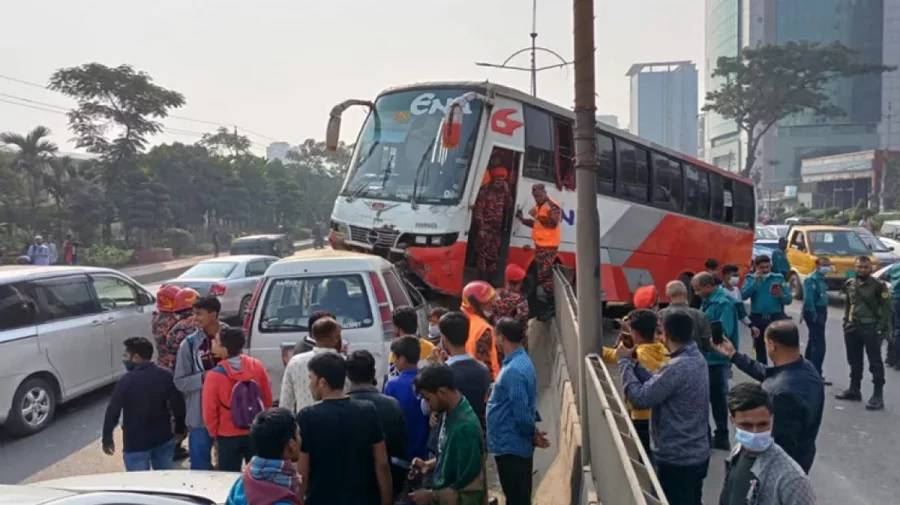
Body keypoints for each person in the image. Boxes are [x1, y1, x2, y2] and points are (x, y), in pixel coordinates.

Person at [617, 311, 710, 505]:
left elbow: (641, 398)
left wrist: (624, 363)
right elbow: (661, 384)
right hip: (697, 453)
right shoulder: (696, 358)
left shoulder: (677, 366)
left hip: (676, 458)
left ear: (664, 334)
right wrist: (635, 365)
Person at [711, 320, 824, 473]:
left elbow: (777, 444)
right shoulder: (805, 368)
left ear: (772, 345)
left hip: (779, 470)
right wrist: (734, 356)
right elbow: (768, 373)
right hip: (803, 456)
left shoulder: (780, 394)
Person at [297, 352, 393, 505]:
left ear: (322, 382)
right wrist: (387, 501)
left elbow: (303, 472)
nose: (309, 384)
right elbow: (381, 464)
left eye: (310, 378)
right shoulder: (368, 410)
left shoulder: (307, 417)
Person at [719, 383, 816, 505]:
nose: (755, 433)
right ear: (732, 421)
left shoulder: (791, 480)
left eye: (762, 424)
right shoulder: (737, 453)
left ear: (772, 419)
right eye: (746, 425)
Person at [486, 318, 548, 505]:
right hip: (512, 443)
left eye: (496, 337)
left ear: (502, 338)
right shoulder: (519, 362)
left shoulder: (513, 370)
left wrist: (532, 435)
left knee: (516, 497)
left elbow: (521, 413)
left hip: (511, 446)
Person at [102, 337, 185, 471]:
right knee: (165, 481)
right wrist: (180, 429)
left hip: (136, 443)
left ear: (136, 357)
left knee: (139, 485)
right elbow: (178, 405)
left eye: (126, 355)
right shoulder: (165, 375)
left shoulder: (126, 381)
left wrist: (107, 437)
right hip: (163, 438)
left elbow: (113, 411)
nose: (124, 359)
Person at [409, 365, 486, 505]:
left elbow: (471, 494)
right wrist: (428, 464)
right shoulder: (448, 411)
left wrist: (431, 496)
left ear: (441, 392)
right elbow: (451, 456)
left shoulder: (465, 429)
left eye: (428, 399)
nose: (428, 405)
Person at [203, 327, 273, 471]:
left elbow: (209, 409)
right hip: (254, 430)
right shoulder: (256, 366)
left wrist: (213, 433)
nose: (212, 342)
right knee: (257, 475)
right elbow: (266, 398)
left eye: (216, 341)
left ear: (224, 348)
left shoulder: (214, 376)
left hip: (227, 434)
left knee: (228, 478)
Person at [601, 309, 669, 458]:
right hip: (661, 413)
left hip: (642, 416)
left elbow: (614, 355)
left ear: (636, 333)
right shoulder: (662, 349)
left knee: (643, 456)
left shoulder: (637, 354)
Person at [173, 296, 227, 470]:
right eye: (193, 313)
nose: (194, 318)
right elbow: (180, 382)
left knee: (228, 468)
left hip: (228, 414)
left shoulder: (232, 338)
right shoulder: (188, 345)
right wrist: (206, 378)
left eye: (199, 314)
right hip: (199, 415)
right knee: (199, 468)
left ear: (213, 314)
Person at [346, 350, 408, 501]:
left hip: (351, 486)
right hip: (387, 485)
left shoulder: (341, 408)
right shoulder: (391, 405)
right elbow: (400, 449)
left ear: (347, 375)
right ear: (373, 372)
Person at [836, 255, 892, 410]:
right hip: (852, 327)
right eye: (859, 267)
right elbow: (848, 303)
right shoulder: (850, 284)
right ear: (855, 267)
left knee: (875, 362)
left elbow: (886, 308)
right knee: (854, 360)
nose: (862, 270)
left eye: (865, 267)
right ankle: (854, 389)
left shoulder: (878, 286)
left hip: (870, 327)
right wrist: (845, 321)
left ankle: (877, 395)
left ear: (871, 268)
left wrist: (881, 327)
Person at [225, 408, 303, 505]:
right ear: (292, 445)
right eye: (298, 434)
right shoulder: (284, 499)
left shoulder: (242, 482)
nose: (301, 439)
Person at [436, 311, 493, 427]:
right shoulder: (483, 369)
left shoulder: (444, 372)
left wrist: (438, 369)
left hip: (454, 433)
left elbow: (429, 407)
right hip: (479, 430)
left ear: (444, 339)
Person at [280, 317, 342, 414]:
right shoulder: (345, 363)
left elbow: (285, 403)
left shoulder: (296, 362)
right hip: (340, 425)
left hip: (304, 426)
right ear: (337, 337)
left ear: (313, 336)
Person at [385, 336, 430, 463]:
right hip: (426, 449)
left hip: (403, 451)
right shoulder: (428, 379)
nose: (393, 362)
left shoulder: (392, 385)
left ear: (403, 359)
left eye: (395, 358)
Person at [742, 255, 792, 365]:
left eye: (767, 267)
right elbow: (743, 296)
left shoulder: (778, 278)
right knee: (759, 347)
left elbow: (788, 300)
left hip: (775, 317)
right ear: (756, 267)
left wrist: (780, 295)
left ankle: (778, 374)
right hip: (757, 318)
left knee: (777, 347)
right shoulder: (750, 278)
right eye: (762, 268)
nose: (765, 270)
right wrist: (755, 282)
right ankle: (763, 376)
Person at [516, 183, 562, 295]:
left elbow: (553, 224)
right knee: (540, 275)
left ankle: (552, 303)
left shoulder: (552, 206)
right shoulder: (538, 206)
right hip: (540, 245)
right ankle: (544, 302)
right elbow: (537, 224)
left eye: (539, 195)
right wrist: (522, 220)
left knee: (545, 276)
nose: (537, 198)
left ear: (545, 193)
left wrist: (537, 216)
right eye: (535, 196)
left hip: (549, 246)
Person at [472, 164, 513, 282]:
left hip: (496, 230)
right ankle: (481, 280)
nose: (500, 182)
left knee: (493, 255)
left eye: (502, 180)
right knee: (482, 255)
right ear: (493, 179)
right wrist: (481, 228)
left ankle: (490, 281)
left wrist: (507, 191)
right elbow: (478, 210)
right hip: (485, 228)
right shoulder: (485, 191)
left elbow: (509, 205)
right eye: (498, 180)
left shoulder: (503, 193)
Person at [461, 280, 501, 378]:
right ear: (475, 305)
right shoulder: (483, 329)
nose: (491, 304)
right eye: (487, 302)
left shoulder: (464, 320)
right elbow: (486, 368)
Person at [802, 257, 832, 380]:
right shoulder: (811, 279)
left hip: (821, 311)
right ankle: (816, 373)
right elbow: (808, 299)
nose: (827, 267)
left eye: (828, 265)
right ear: (817, 265)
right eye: (824, 265)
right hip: (814, 312)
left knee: (813, 340)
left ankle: (807, 369)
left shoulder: (821, 279)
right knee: (819, 344)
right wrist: (813, 314)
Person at [389, 306, 435, 376]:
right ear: (416, 324)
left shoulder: (397, 350)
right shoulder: (431, 347)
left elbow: (392, 376)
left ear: (398, 328)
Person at [886, 260, 900, 370]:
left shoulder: (895, 266)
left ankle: (890, 358)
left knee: (894, 329)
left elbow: (886, 276)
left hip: (893, 299)